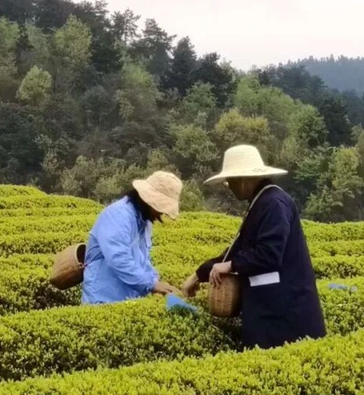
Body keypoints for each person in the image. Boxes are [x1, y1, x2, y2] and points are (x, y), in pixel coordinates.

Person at [182, 145, 326, 348]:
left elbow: (269, 254)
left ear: (242, 180)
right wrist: (198, 275)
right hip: (269, 310)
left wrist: (232, 266)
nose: (228, 187)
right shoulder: (260, 202)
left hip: (284, 315)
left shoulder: (274, 203)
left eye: (230, 181)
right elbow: (236, 249)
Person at [82, 171, 183, 304]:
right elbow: (118, 258)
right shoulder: (119, 215)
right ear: (148, 201)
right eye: (160, 207)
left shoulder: (144, 221)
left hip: (127, 299)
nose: (161, 213)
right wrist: (150, 284)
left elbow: (143, 259)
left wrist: (156, 281)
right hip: (103, 299)